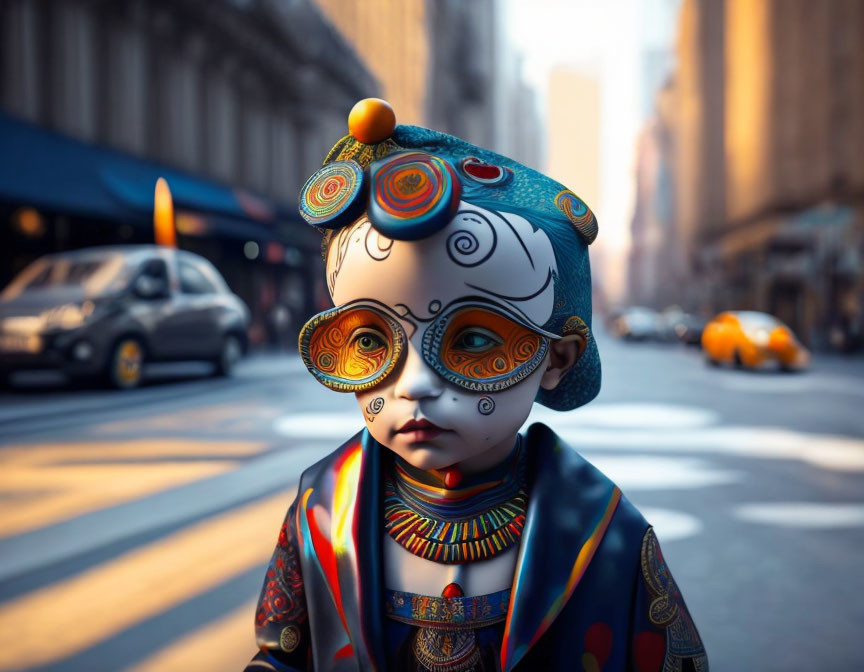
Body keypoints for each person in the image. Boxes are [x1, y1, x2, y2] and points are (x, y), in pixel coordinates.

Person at [245, 98, 707, 672]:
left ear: (557, 358)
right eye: (371, 341)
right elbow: (281, 657)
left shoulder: (603, 531)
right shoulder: (319, 512)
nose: (414, 384)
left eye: (474, 341)